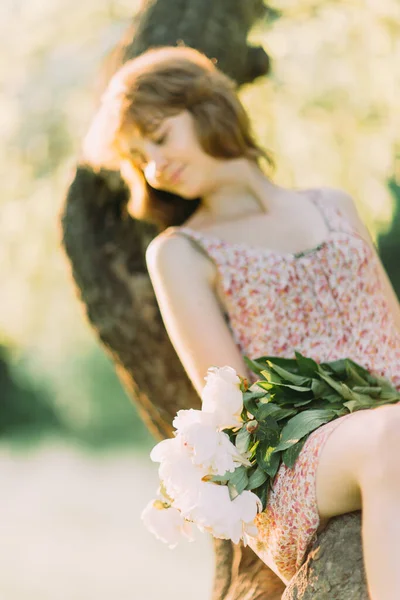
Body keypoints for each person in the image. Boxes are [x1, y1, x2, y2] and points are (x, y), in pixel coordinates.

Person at [84, 46, 400, 597]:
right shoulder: (181, 252)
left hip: (388, 416)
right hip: (298, 453)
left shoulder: (334, 204)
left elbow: (391, 325)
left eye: (158, 138)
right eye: (138, 159)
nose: (154, 166)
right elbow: (236, 399)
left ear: (207, 107)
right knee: (391, 437)